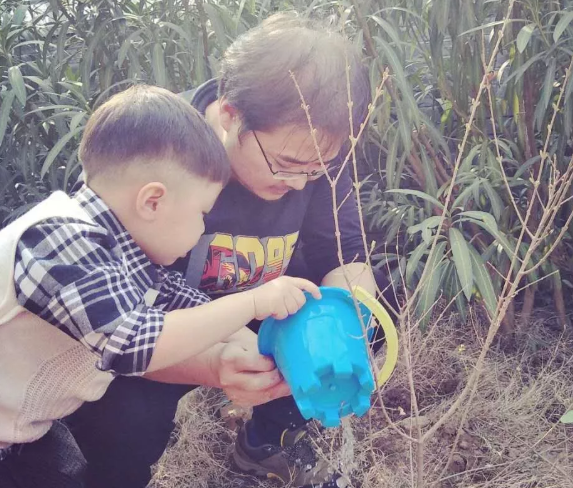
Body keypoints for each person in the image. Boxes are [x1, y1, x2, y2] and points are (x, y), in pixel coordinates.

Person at [66, 12, 397, 488]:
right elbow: (111, 326)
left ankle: (267, 441)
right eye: (285, 166)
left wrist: (345, 326)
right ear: (229, 115)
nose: (301, 182)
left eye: (318, 167)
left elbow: (344, 254)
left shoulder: (311, 149)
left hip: (267, 299)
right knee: (125, 423)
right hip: (157, 324)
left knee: (359, 311)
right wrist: (214, 364)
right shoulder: (147, 151)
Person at [0, 85, 322, 488]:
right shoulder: (58, 239)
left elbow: (175, 298)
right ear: (152, 202)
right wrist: (254, 302)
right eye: (202, 213)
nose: (204, 227)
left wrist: (253, 347)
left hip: (25, 435)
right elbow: (132, 344)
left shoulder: (120, 248)